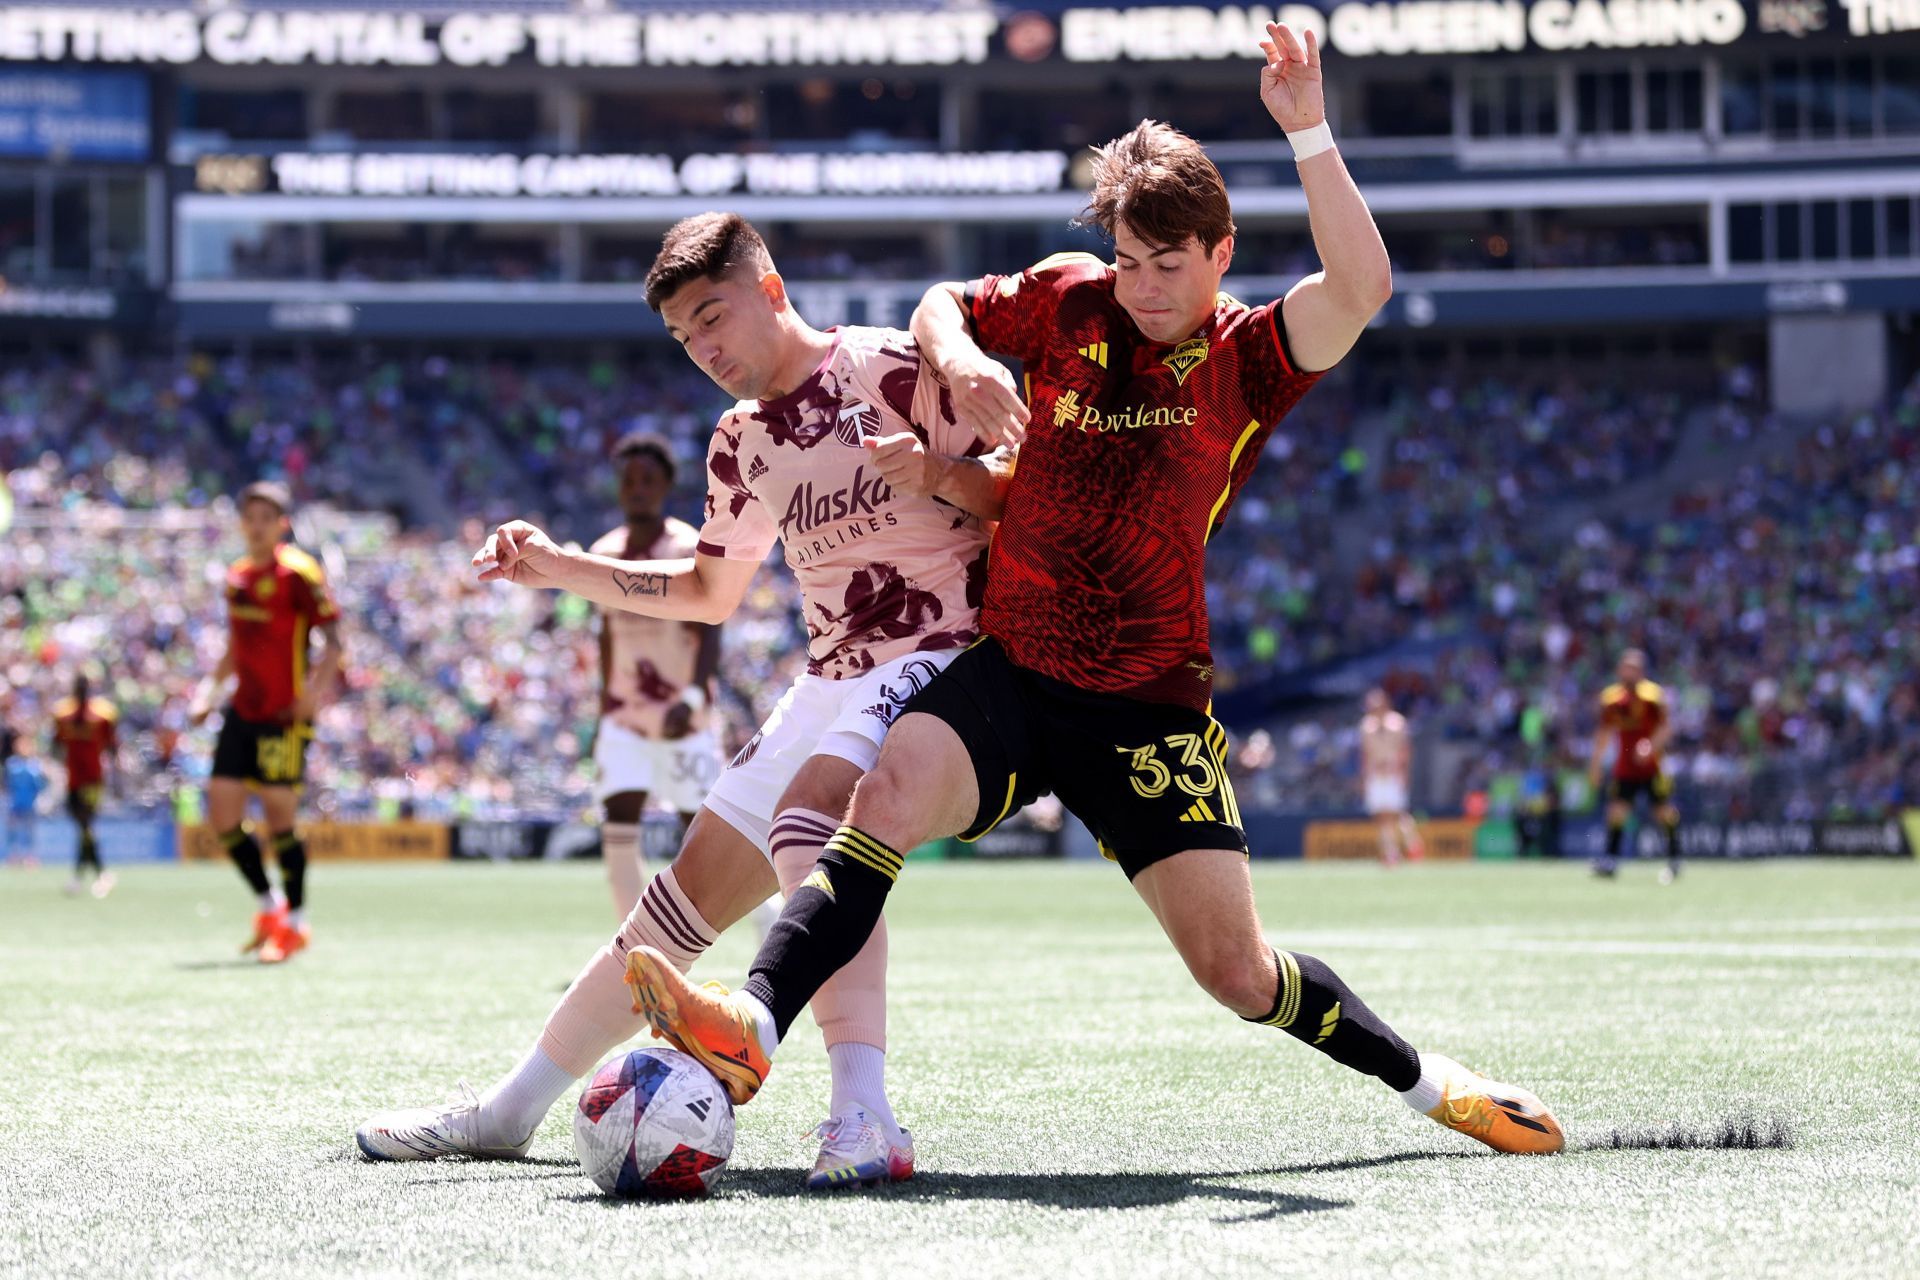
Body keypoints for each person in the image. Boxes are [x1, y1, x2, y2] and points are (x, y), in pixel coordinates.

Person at [626, 26, 1564, 1158]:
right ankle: (753, 1022)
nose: (1145, 288)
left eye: (1171, 266)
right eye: (1128, 261)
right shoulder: (1070, 303)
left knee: (1238, 971)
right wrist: (965, 357)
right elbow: (940, 299)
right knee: (884, 794)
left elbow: (1362, 284)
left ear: (1221, 255)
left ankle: (1436, 1087)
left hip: (1143, 708)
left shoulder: (1249, 356)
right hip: (1014, 669)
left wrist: (1307, 126)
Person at [357, 213, 1012, 1189]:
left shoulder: (895, 369)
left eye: (715, 316)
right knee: (677, 902)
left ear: (772, 289)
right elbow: (710, 590)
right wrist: (559, 569)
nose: (705, 349)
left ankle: (863, 1110)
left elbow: (1026, 482)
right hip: (830, 680)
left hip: (944, 658)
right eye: (684, 336)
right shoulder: (740, 439)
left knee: (809, 830)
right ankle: (510, 1108)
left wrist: (939, 474)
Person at [189, 481, 344, 964]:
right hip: (243, 710)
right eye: (249, 516)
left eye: (266, 517)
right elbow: (237, 648)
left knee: (280, 820)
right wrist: (207, 693)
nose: (256, 526)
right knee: (223, 817)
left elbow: (335, 641)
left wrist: (311, 696)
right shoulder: (235, 575)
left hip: (282, 715)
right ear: (241, 522)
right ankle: (268, 907)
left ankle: (296, 923)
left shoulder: (300, 572)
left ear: (282, 524)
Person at [587, 431, 724, 919]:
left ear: (666, 486)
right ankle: (632, 943)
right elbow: (606, 635)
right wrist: (603, 708)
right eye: (629, 480)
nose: (638, 488)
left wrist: (693, 695)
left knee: (705, 831)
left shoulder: (686, 546)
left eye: (649, 480)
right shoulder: (603, 552)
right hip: (624, 718)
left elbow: (710, 628)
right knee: (618, 823)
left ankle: (759, 923)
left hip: (681, 718)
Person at [1589, 649, 1681, 882]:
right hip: (1625, 767)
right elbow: (1604, 733)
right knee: (1616, 812)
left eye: (1634, 668)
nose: (1629, 672)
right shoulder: (1611, 699)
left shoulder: (1653, 696)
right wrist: (1596, 764)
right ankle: (1610, 860)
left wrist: (1651, 746)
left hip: (1653, 767)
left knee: (1663, 812)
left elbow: (1666, 728)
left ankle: (1674, 859)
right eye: (1626, 667)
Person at [52, 673, 119, 897]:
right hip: (73, 779)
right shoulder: (62, 713)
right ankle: (96, 874)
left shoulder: (103, 714)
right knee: (84, 827)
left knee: (85, 824)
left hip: (92, 779)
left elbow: (112, 746)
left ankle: (87, 876)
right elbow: (56, 744)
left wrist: (117, 777)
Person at [1359, 688, 1422, 865]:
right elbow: (1365, 755)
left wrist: (1403, 773)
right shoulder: (1366, 726)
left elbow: (1405, 751)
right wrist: (1365, 778)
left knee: (1397, 814)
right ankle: (1390, 853)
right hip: (1376, 776)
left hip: (1393, 774)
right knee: (1381, 817)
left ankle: (1413, 845)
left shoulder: (1397, 723)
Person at [5, 738, 46, 868]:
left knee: (30, 833)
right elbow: (7, 784)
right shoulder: (11, 763)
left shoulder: (35, 765)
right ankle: (14, 856)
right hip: (14, 804)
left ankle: (31, 857)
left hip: (31, 804)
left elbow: (40, 785)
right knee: (13, 832)